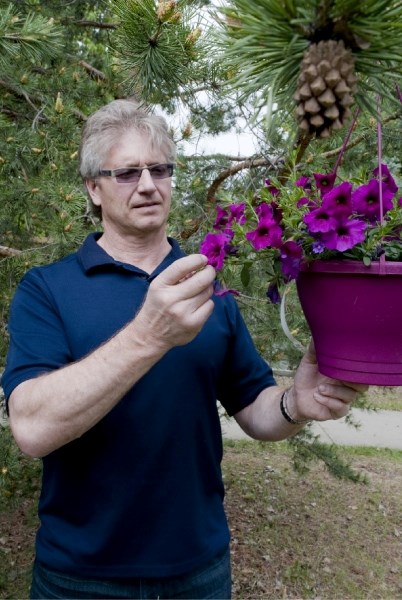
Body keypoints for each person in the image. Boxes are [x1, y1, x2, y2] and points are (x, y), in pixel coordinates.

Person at [1, 99, 367, 600]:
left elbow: (255, 410)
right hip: (79, 578)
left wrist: (294, 404)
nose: (149, 184)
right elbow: (32, 429)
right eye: (127, 172)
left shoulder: (208, 287)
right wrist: (147, 336)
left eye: (160, 169)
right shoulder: (46, 289)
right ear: (94, 187)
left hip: (199, 572)